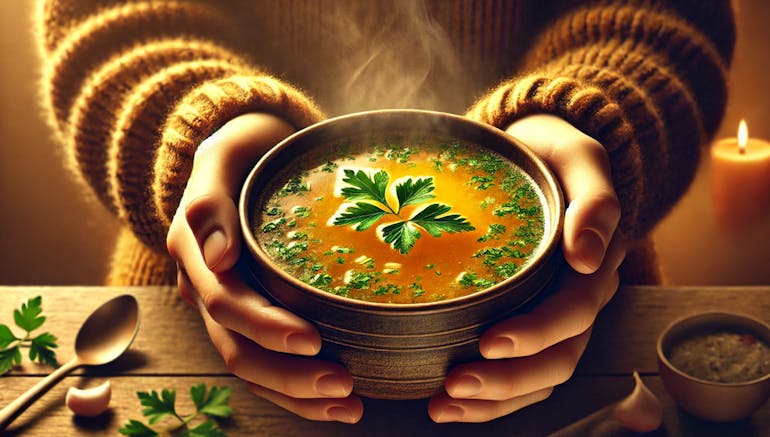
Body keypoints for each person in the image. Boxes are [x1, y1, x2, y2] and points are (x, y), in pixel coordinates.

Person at [36, 0, 734, 424]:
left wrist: (587, 123)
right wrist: (199, 129)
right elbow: (106, 22)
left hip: (581, 351)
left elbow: (671, 15)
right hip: (195, 348)